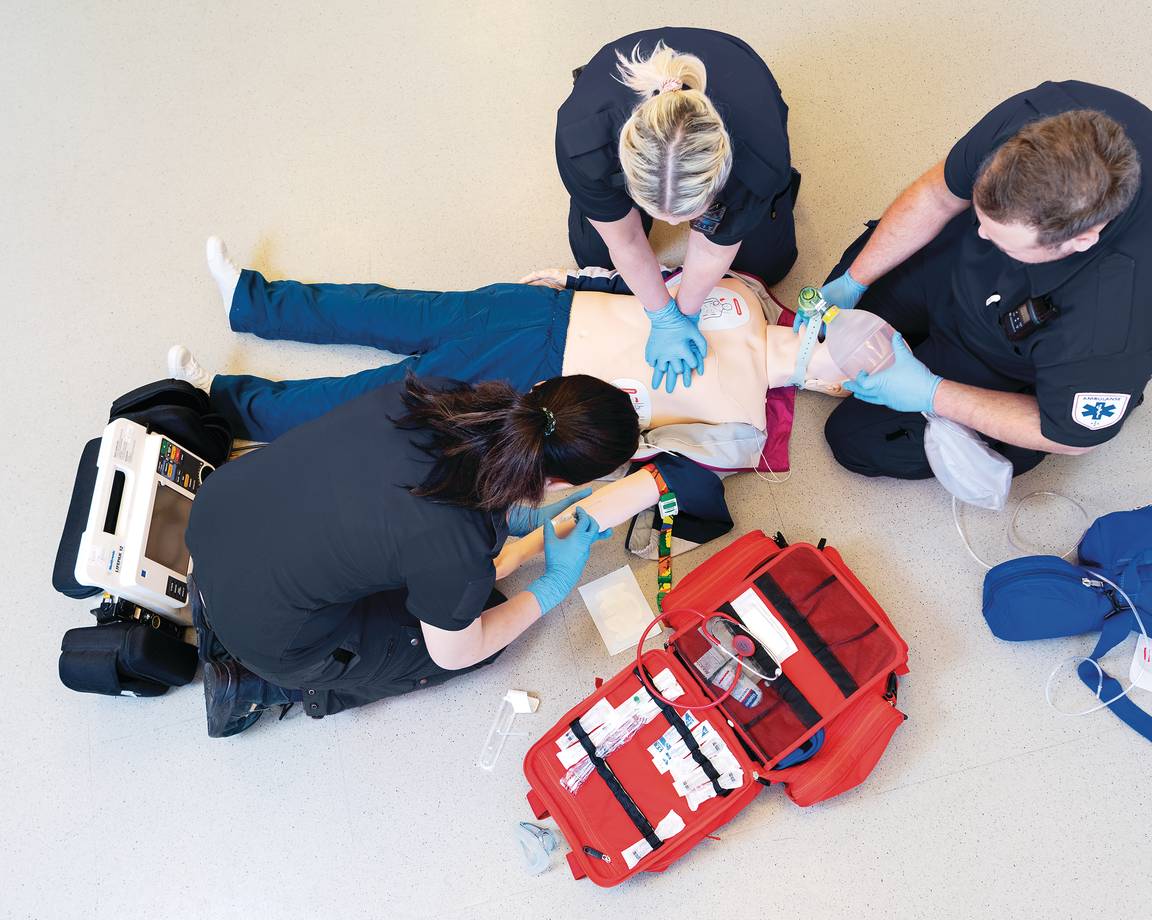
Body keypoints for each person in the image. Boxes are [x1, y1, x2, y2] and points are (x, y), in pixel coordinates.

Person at [184, 369, 639, 729]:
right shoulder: (456, 548)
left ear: (540, 388)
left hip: (219, 519)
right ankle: (259, 687)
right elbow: (455, 651)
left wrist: (517, 519)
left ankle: (213, 603)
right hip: (273, 639)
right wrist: (552, 586)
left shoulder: (443, 395)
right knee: (484, 624)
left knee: (443, 588)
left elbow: (406, 490)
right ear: (562, 482)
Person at [171, 238, 849, 445]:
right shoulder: (744, 298)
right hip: (536, 311)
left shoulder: (744, 419)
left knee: (371, 400)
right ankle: (252, 300)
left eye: (836, 366)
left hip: (536, 378)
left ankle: (220, 404)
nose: (820, 351)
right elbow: (647, 285)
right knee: (388, 309)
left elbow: (650, 448)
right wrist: (570, 278)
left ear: (829, 387)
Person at [816, 81, 1152, 479]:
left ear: (1081, 239)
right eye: (982, 218)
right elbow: (938, 196)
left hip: (1017, 353)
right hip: (953, 271)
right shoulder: (1044, 118)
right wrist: (854, 280)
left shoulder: (1112, 323)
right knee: (830, 326)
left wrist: (932, 393)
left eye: (1001, 238)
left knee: (855, 438)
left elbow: (1071, 438)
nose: (981, 235)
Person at [556, 28, 798, 393]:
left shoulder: (758, 158)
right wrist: (661, 316)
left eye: (687, 213)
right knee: (596, 257)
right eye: (662, 210)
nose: (673, 224)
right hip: (608, 86)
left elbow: (712, 246)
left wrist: (685, 312)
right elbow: (627, 240)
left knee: (764, 267)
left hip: (735, 70)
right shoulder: (582, 143)